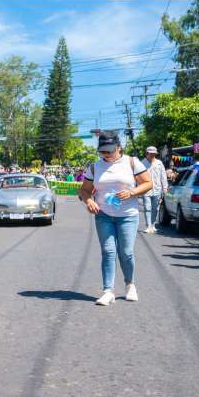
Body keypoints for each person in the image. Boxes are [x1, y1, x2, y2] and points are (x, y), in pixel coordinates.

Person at [78, 131, 152, 306]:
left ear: (119, 147)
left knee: (126, 252)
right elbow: (84, 189)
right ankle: (108, 291)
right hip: (103, 215)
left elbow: (148, 183)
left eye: (109, 150)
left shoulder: (132, 162)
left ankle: (130, 285)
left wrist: (132, 192)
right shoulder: (95, 167)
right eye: (103, 151)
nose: (106, 154)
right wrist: (88, 201)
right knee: (108, 252)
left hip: (127, 216)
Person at [140, 146, 168, 234]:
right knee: (147, 207)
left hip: (157, 189)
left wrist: (165, 187)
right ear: (147, 153)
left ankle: (153, 225)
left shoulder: (159, 163)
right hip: (145, 189)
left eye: (154, 154)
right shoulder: (142, 163)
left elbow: (163, 176)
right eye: (150, 154)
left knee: (155, 208)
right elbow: (138, 176)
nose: (152, 155)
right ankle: (148, 226)